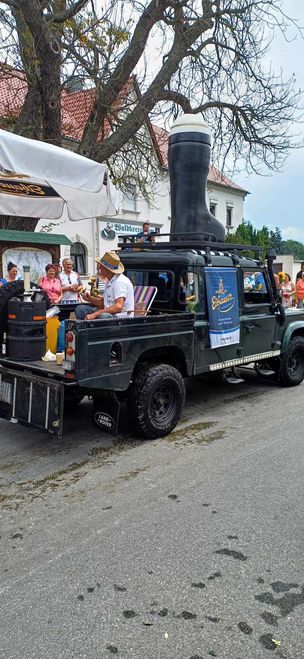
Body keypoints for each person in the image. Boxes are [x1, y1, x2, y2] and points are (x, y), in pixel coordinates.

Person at [75, 251, 134, 321]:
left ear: (107, 269)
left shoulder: (120, 281)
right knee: (80, 309)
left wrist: (95, 314)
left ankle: (91, 330)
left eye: (101, 265)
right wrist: (89, 298)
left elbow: (118, 307)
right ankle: (85, 330)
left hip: (120, 319)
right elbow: (103, 303)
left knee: (103, 316)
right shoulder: (110, 280)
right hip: (111, 315)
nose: (99, 267)